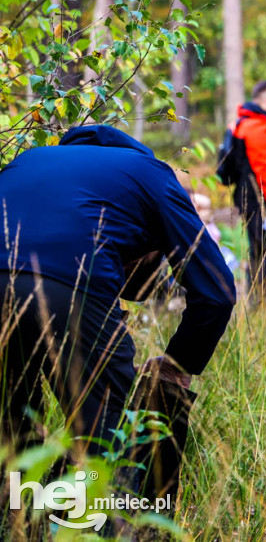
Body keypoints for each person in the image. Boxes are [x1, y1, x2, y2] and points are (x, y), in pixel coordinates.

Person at [0, 126, 234, 478]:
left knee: (11, 420)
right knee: (102, 425)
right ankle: (91, 526)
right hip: (72, 282)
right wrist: (177, 363)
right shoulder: (149, 172)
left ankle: (20, 521)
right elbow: (217, 290)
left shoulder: (26, 161)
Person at [231, 79, 266, 306]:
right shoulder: (255, 126)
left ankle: (257, 301)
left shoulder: (246, 123)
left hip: (254, 201)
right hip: (259, 202)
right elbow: (262, 167)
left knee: (261, 251)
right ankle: (256, 303)